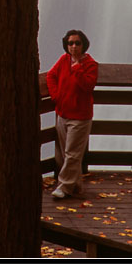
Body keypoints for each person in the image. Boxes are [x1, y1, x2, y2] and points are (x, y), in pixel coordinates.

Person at [46, 29, 98, 199]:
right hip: (63, 113)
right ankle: (75, 186)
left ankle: (64, 187)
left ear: (84, 45)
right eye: (70, 43)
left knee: (72, 154)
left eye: (77, 43)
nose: (74, 46)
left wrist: (77, 69)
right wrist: (56, 96)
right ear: (66, 45)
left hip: (80, 117)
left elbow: (88, 86)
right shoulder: (63, 60)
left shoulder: (90, 64)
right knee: (64, 154)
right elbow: (51, 76)